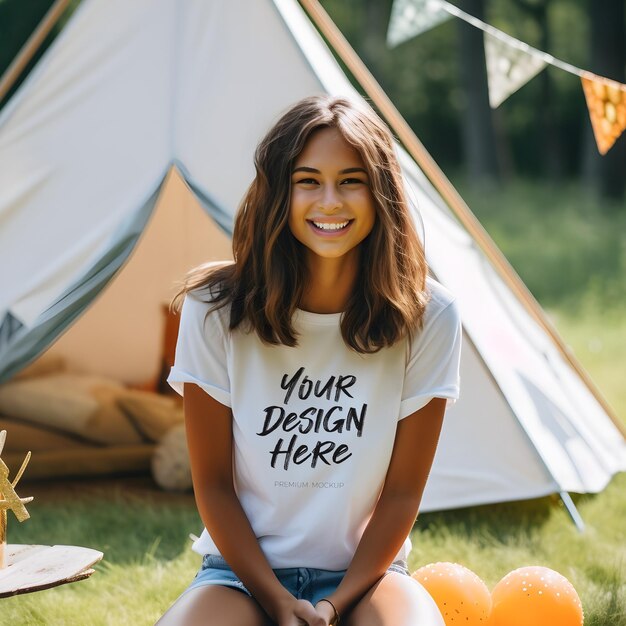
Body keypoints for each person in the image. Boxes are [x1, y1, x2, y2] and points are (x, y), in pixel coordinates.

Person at [157, 95, 461, 626]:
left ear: (381, 192)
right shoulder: (211, 312)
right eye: (307, 180)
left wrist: (334, 605)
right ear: (278, 191)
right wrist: (276, 600)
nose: (330, 202)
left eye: (351, 180)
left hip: (368, 578)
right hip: (240, 576)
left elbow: (403, 491)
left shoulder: (429, 316)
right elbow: (212, 485)